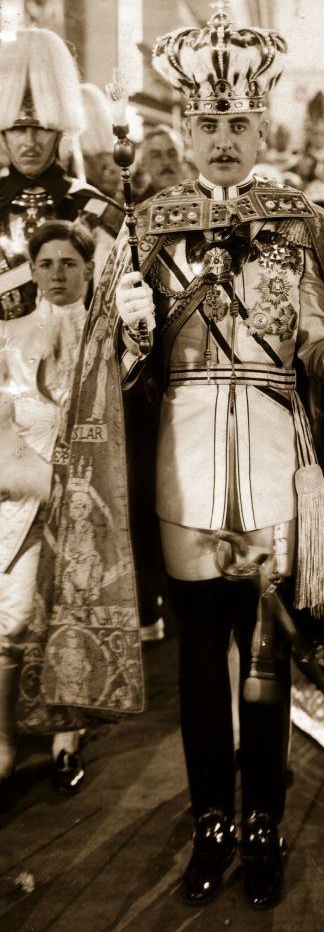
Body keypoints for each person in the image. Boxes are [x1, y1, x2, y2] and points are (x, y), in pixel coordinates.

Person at [19, 7, 324, 912]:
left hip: (277, 464)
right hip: (184, 465)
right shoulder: (148, 226)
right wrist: (134, 336)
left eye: (239, 125)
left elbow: (319, 341)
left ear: (261, 127)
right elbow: (111, 371)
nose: (224, 140)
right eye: (207, 125)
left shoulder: (299, 221)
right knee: (201, 655)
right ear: (183, 131)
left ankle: (265, 822)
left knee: (267, 645)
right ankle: (210, 822)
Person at [0, 220, 95, 798]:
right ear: (31, 270)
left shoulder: (107, 338)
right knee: (10, 623)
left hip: (89, 498)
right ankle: (4, 743)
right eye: (46, 264)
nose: (57, 275)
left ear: (87, 270)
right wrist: (30, 479)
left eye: (69, 264)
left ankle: (69, 736)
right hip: (22, 497)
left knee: (74, 619)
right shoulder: (7, 338)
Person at [0, 28, 123, 319]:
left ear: (59, 131)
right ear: (3, 134)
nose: (29, 142)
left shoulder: (96, 209)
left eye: (41, 128)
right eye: (19, 129)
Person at [138, 125, 186, 199]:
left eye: (172, 154)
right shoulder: (137, 209)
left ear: (182, 158)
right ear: (143, 164)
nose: (166, 162)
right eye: (156, 156)